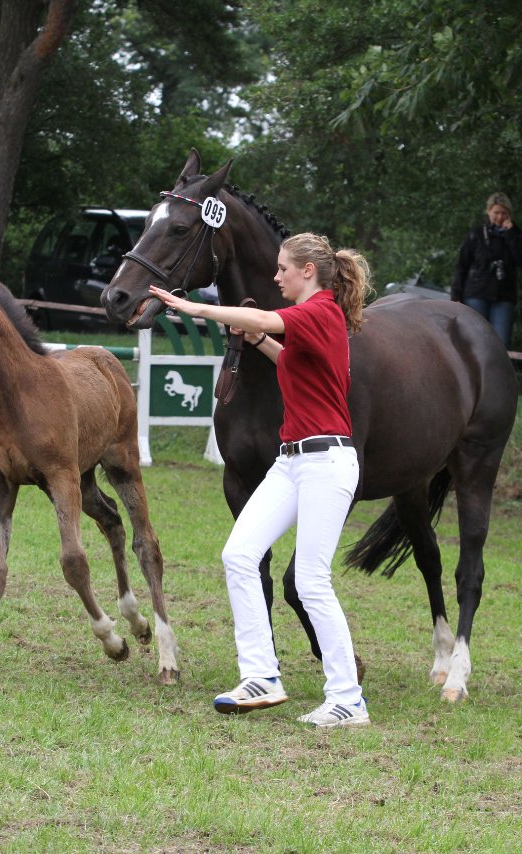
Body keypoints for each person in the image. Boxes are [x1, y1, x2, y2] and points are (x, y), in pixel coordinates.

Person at [148, 232, 371, 729]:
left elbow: (264, 316)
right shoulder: (314, 322)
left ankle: (347, 698)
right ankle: (262, 677)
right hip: (293, 462)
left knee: (312, 582)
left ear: (307, 272)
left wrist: (197, 308)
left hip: (325, 465)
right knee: (239, 555)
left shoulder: (321, 312)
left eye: (282, 269)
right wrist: (262, 343)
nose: (276, 277)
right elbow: (288, 356)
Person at [450, 192, 522, 348]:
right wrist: (456, 295)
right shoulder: (476, 234)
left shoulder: (516, 233)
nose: (499, 217)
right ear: (488, 211)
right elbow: (462, 265)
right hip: (476, 294)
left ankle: (496, 373)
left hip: (503, 297)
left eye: (504, 213)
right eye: (496, 212)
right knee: (475, 340)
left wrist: (510, 234)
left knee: (500, 344)